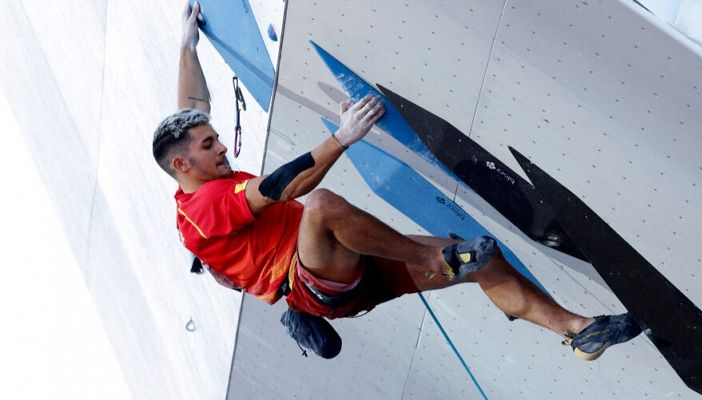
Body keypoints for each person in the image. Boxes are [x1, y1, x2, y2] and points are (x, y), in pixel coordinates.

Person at [152, 2, 641, 360]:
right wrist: (344, 138)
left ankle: (580, 331)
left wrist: (186, 46)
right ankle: (432, 258)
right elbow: (286, 187)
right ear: (182, 166)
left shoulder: (198, 178)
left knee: (479, 259)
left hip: (350, 270)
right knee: (322, 206)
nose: (221, 147)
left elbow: (192, 109)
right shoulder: (201, 210)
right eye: (208, 145)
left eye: (214, 140)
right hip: (315, 283)